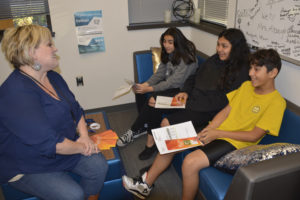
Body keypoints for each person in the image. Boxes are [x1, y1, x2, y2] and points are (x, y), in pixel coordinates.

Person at [122, 49, 286, 200]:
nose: (250, 73)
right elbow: (226, 111)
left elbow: (253, 136)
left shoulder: (276, 102)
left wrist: (218, 133)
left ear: (273, 72)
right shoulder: (246, 87)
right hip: (218, 132)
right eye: (251, 68)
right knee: (170, 139)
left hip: (236, 142)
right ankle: (145, 185)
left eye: (256, 70)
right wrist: (211, 128)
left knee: (190, 163)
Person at [0, 25, 108, 200]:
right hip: (26, 163)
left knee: (99, 167)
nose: (55, 48)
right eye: (49, 44)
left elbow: (76, 109)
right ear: (31, 52)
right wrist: (82, 148)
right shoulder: (15, 93)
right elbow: (51, 144)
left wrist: (84, 136)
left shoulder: (52, 76)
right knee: (73, 195)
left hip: (61, 148)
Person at [135, 28, 251, 160]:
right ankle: (151, 147)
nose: (219, 49)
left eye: (224, 46)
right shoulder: (215, 59)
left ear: (236, 48)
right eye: (218, 44)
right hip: (191, 100)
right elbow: (193, 77)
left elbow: (223, 102)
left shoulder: (241, 71)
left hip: (206, 111)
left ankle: (161, 160)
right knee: (154, 102)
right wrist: (185, 92)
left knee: (166, 122)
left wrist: (188, 103)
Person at [116, 27, 198, 150]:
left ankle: (133, 130)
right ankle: (144, 125)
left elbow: (173, 82)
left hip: (182, 95)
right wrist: (145, 85)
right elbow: (160, 74)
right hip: (171, 88)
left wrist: (149, 89)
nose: (166, 45)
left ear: (178, 42)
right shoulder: (169, 54)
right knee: (140, 90)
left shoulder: (187, 59)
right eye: (164, 41)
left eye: (170, 42)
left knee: (154, 100)